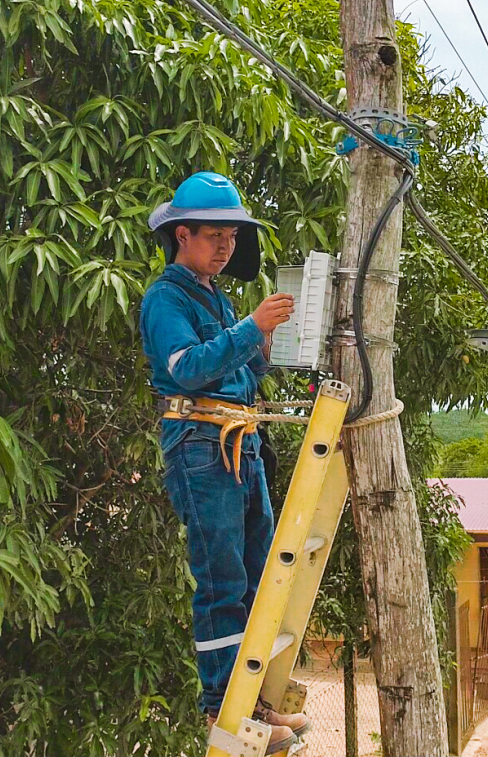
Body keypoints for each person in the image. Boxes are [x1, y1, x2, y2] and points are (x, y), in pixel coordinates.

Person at [139, 172, 308, 752]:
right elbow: (186, 367)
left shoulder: (218, 296)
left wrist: (264, 345)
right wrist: (250, 328)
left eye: (231, 237)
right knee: (222, 581)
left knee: (260, 577)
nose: (226, 246)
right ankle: (219, 709)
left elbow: (236, 371)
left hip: (240, 441)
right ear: (182, 234)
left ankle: (251, 701)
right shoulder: (166, 298)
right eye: (215, 235)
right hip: (200, 445)